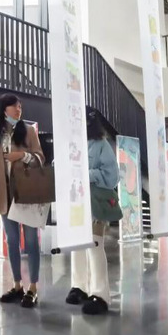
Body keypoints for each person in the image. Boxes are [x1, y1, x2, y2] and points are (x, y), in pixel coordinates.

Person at [0, 94, 45, 308]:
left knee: (31, 241)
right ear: (4, 110)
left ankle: (33, 287)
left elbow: (40, 158)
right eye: (14, 107)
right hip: (4, 194)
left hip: (26, 194)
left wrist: (22, 156)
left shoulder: (28, 131)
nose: (19, 110)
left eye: (20, 107)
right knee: (12, 240)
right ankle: (17, 285)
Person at [66, 108, 120, 316]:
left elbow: (112, 176)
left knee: (95, 244)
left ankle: (100, 294)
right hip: (75, 201)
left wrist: (87, 174)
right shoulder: (71, 143)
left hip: (96, 202)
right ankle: (78, 286)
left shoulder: (101, 145)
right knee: (77, 244)